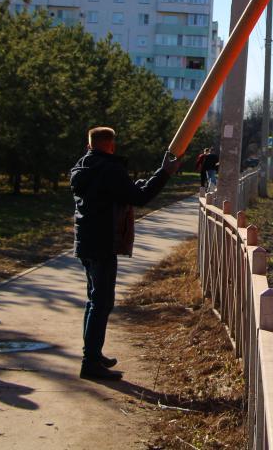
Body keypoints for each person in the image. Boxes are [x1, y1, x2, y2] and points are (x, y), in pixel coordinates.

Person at [69, 127, 181, 381]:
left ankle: (93, 354)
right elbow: (139, 197)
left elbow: (120, 192)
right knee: (101, 303)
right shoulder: (110, 169)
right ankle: (90, 362)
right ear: (111, 145)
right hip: (103, 242)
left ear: (90, 145)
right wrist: (164, 172)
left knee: (94, 300)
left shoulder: (82, 167)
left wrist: (145, 180)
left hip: (85, 241)